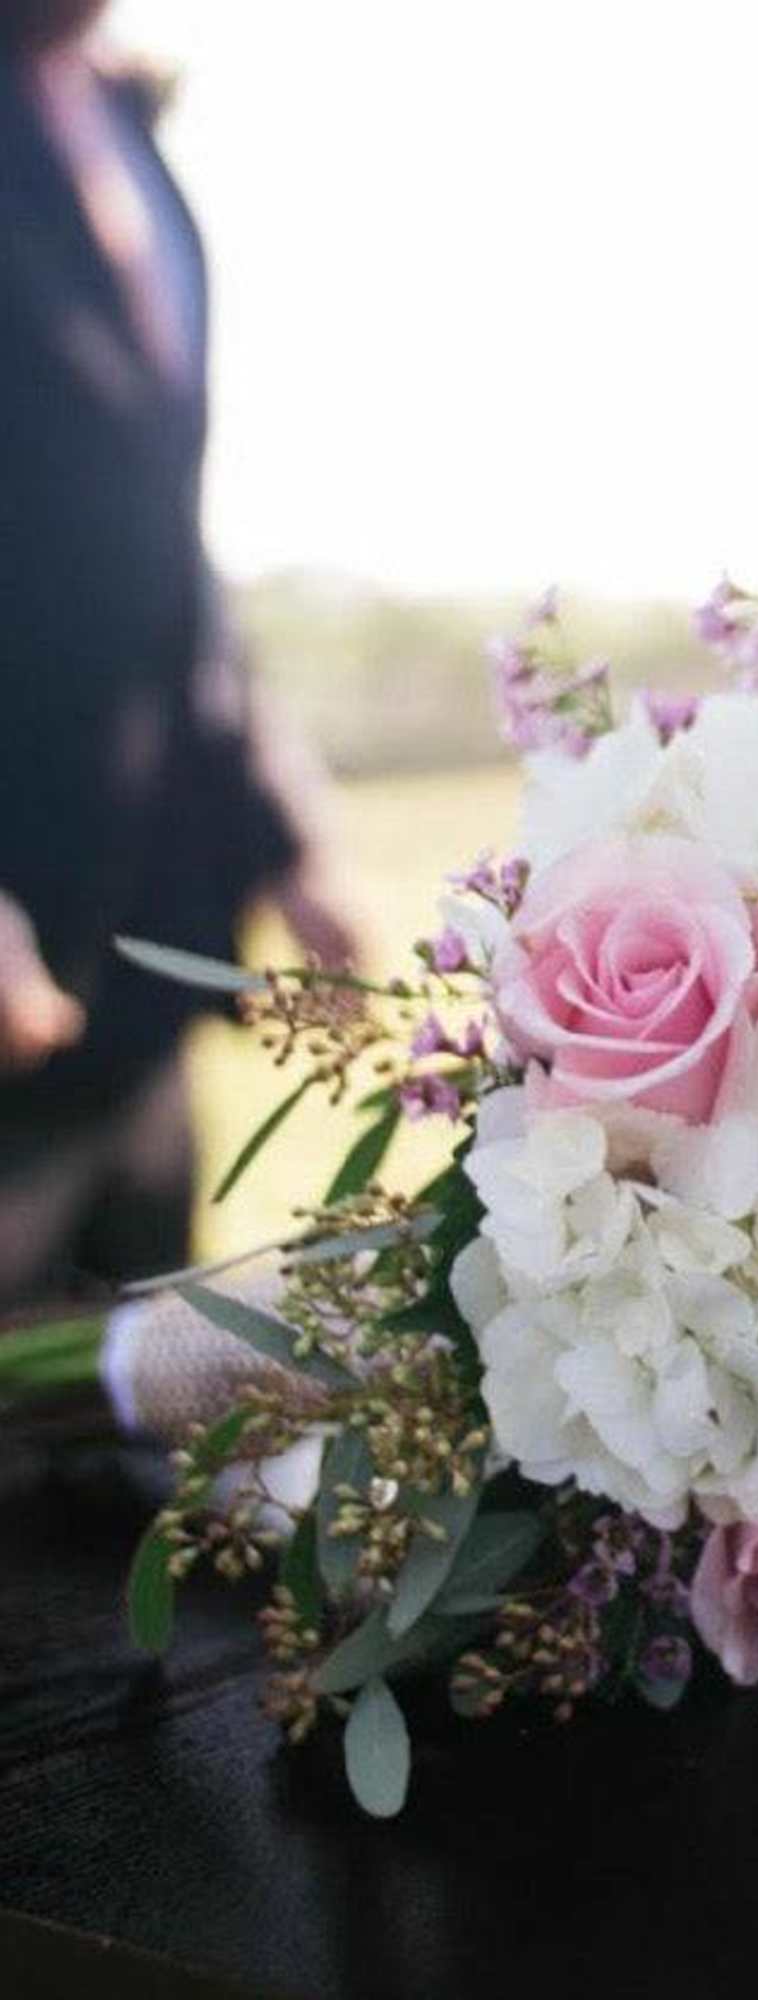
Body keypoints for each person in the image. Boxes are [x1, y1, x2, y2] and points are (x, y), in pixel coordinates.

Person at [0, 0, 354, 1302]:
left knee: (132, 1451)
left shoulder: (125, 123)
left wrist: (281, 822)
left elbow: (156, 536)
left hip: (136, 968)